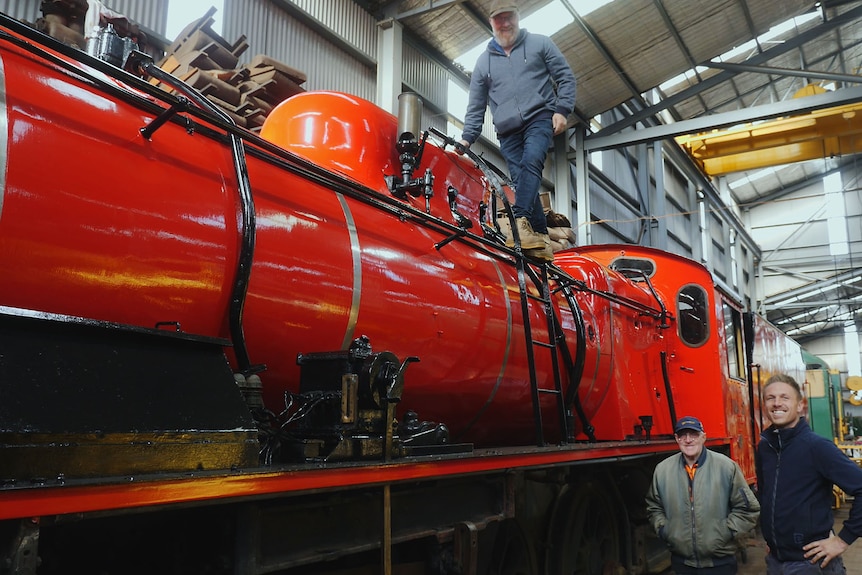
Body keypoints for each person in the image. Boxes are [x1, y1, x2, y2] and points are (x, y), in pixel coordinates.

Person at [458, 0, 576, 261]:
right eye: (499, 19)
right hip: (507, 130)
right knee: (522, 178)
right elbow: (476, 104)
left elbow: (566, 77)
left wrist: (562, 110)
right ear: (491, 23)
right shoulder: (483, 63)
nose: (505, 23)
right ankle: (542, 238)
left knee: (532, 162)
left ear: (518, 16)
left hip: (539, 117)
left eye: (509, 17)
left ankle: (520, 220)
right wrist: (467, 138)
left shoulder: (540, 44)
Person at [757, 373, 862, 574]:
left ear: (799, 406)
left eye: (784, 397)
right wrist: (773, 538)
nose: (777, 403)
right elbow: (765, 494)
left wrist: (842, 540)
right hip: (775, 561)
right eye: (770, 398)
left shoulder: (817, 447)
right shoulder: (765, 448)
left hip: (810, 563)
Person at [646, 416, 760, 574]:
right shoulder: (663, 470)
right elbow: (653, 507)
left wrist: (725, 533)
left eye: (693, 434)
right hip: (682, 563)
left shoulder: (726, 467)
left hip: (720, 563)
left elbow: (748, 509)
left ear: (703, 437)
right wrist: (666, 530)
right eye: (682, 435)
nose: (688, 440)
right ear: (676, 439)